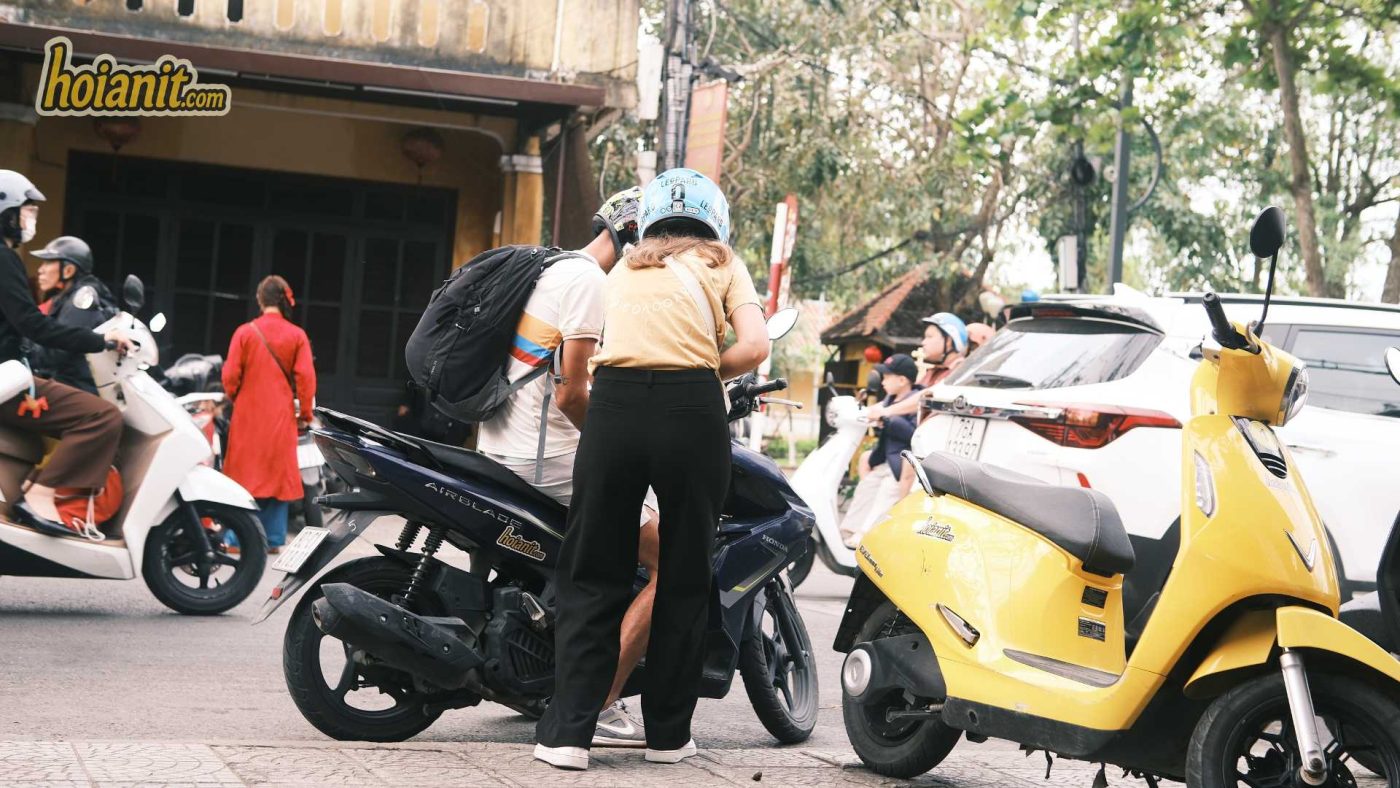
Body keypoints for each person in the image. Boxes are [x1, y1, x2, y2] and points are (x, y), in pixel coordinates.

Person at [533, 169, 768, 771]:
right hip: (692, 410)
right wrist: (702, 366)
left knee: (593, 568)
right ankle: (667, 736)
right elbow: (756, 347)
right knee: (686, 573)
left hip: (613, 407)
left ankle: (566, 736)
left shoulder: (626, 266)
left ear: (652, 218)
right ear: (715, 218)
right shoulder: (724, 263)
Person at [478, 187, 660, 747]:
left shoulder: (551, 268)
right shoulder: (588, 285)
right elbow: (571, 395)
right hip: (546, 458)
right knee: (675, 560)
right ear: (633, 238)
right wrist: (621, 445)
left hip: (499, 442)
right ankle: (600, 706)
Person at [0, 170, 130, 538]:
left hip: (12, 377)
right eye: (26, 211)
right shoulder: (4, 258)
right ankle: (39, 496)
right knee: (102, 418)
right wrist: (101, 341)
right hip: (8, 381)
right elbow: (33, 326)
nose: (31, 220)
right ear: (6, 211)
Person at [221, 275, 315, 554]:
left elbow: (230, 376)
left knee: (244, 474)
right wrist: (305, 414)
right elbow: (306, 379)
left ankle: (236, 539)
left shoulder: (245, 332)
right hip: (280, 416)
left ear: (261, 300)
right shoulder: (296, 335)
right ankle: (273, 539)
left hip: (248, 415)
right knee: (276, 474)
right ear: (284, 300)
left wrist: (238, 397)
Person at [839, 353, 920, 547]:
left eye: (886, 377)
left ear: (902, 380)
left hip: (901, 463)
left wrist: (887, 419)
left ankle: (867, 534)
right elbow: (871, 411)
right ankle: (852, 528)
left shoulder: (915, 402)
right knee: (866, 487)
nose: (882, 381)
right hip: (883, 459)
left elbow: (913, 432)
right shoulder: (888, 401)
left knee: (885, 494)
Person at [26, 236, 118, 394]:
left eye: (48, 262)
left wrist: (22, 350)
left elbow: (58, 351)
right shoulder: (63, 298)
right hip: (64, 384)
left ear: (68, 270)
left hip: (75, 388)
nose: (40, 270)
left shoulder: (82, 298)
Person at [866, 311, 968, 423]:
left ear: (948, 341)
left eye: (929, 337)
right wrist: (870, 411)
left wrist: (886, 411)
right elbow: (908, 399)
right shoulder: (933, 372)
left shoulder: (961, 373)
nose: (923, 342)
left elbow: (927, 397)